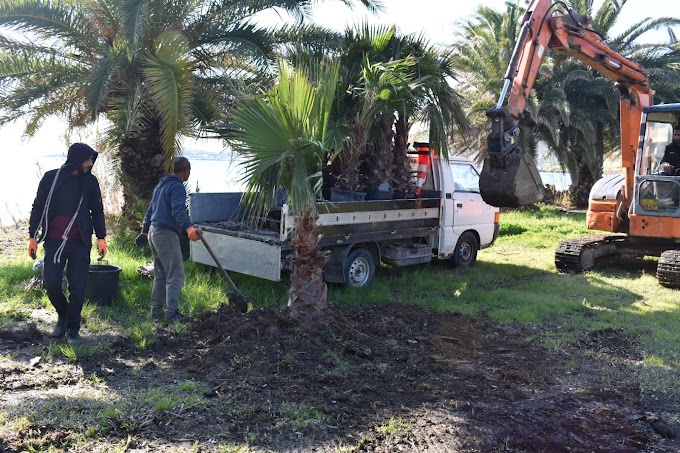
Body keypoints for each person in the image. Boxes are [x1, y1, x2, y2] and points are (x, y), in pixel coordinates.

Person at [28, 143, 107, 345]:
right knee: (51, 283)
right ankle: (63, 316)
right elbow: (38, 206)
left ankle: (73, 328)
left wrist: (101, 237)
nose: (91, 163)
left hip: (80, 242)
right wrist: (32, 236)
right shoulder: (50, 178)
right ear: (77, 160)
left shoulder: (90, 182)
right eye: (88, 159)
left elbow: (97, 211)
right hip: (54, 241)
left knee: (78, 287)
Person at [136, 157, 200, 324]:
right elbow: (178, 209)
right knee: (176, 274)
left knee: (161, 274)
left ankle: (156, 311)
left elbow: (150, 210)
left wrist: (144, 232)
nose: (189, 173)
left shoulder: (161, 185)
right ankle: (172, 314)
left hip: (153, 232)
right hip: (165, 234)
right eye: (189, 170)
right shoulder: (177, 186)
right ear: (185, 170)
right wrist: (189, 228)